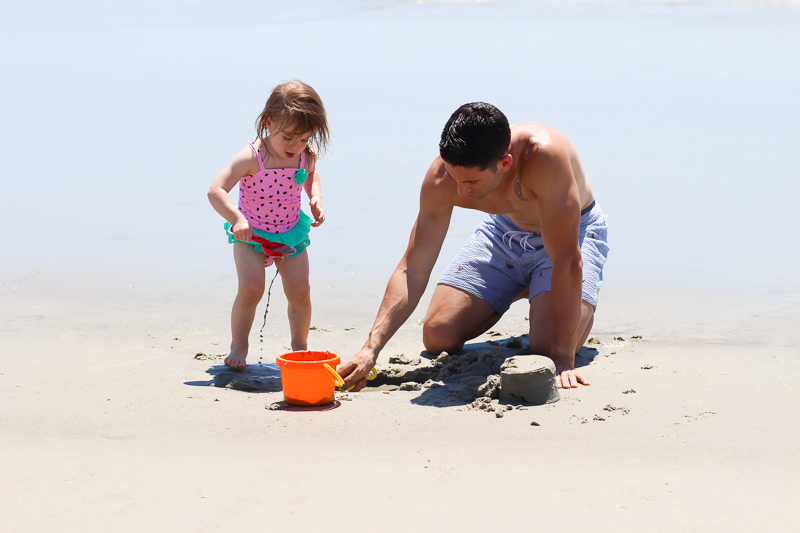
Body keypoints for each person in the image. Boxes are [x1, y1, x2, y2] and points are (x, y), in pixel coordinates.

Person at [338, 102, 609, 390]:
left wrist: (564, 357)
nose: (460, 192)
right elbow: (412, 268)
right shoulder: (442, 176)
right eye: (454, 178)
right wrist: (371, 348)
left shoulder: (543, 157)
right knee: (438, 335)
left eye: (471, 182)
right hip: (504, 232)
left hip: (571, 234)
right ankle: (527, 286)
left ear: (504, 164)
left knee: (545, 347)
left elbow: (567, 261)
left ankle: (566, 299)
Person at [208, 80, 330, 369]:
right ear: (268, 121)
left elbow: (311, 175)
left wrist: (315, 198)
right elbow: (216, 190)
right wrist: (237, 219)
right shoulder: (252, 156)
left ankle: (300, 345)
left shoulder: (305, 154)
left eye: (303, 139)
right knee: (251, 289)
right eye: (288, 137)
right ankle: (239, 345)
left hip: (291, 233)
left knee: (301, 290)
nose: (295, 146)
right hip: (251, 234)